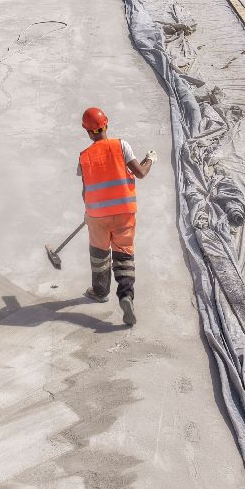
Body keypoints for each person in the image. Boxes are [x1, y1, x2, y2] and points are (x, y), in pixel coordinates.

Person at [77, 107, 152, 326]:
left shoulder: (84, 156)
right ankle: (126, 295)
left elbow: (86, 190)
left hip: (97, 215)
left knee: (99, 255)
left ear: (87, 132)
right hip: (124, 213)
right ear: (106, 125)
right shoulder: (121, 145)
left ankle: (100, 292)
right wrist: (150, 159)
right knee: (124, 254)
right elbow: (140, 173)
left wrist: (88, 212)